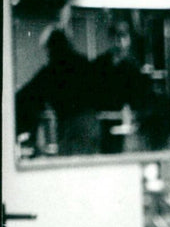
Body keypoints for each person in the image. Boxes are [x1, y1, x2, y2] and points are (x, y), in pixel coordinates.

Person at [14, 26, 99, 155]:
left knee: (70, 167)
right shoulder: (84, 63)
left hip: (70, 126)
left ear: (51, 48)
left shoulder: (51, 71)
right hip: (91, 124)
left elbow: (27, 95)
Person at [90, 18, 154, 153]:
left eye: (124, 36)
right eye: (116, 36)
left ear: (129, 39)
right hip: (102, 123)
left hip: (127, 123)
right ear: (111, 39)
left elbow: (140, 98)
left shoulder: (133, 68)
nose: (120, 42)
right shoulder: (99, 65)